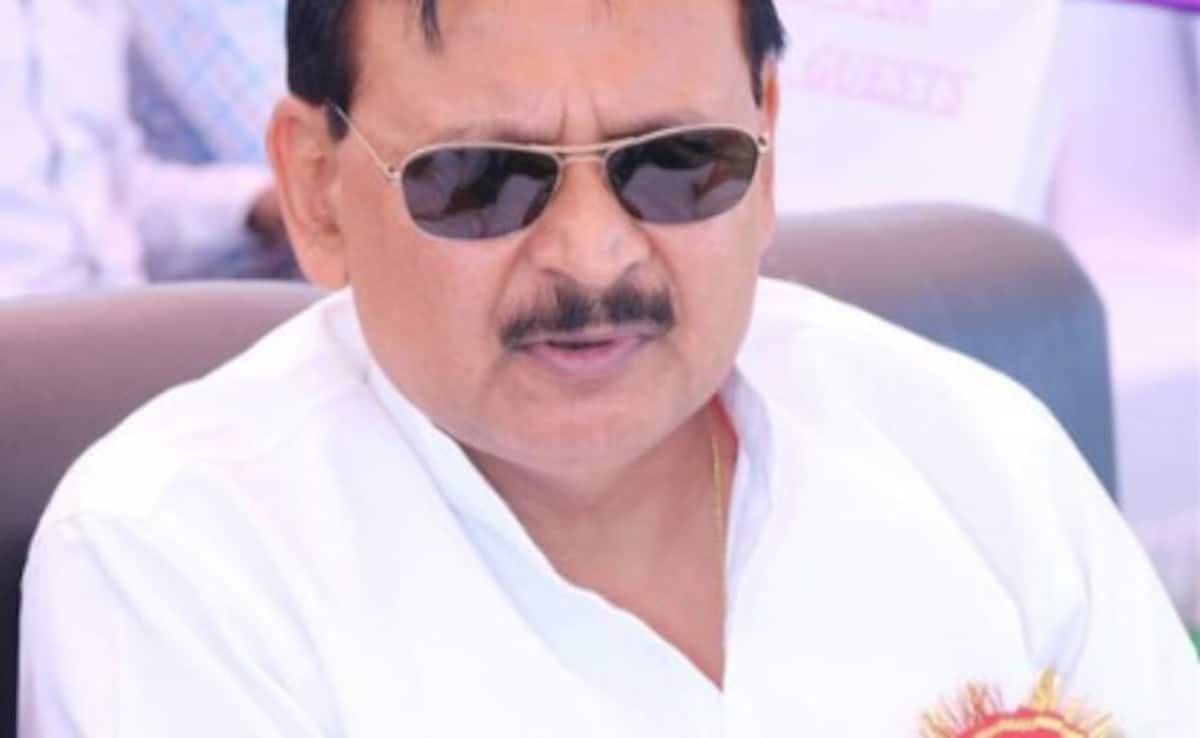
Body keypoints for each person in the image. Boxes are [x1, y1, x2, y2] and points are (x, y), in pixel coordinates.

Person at [18, 1, 1197, 736]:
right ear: (318, 191)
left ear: (769, 141)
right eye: (481, 180)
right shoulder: (182, 564)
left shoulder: (969, 447)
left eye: (678, 161)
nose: (592, 255)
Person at [0, 0, 289, 298]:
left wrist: (254, 203)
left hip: (122, 305)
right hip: (21, 316)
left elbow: (115, 196)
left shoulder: (83, 14)